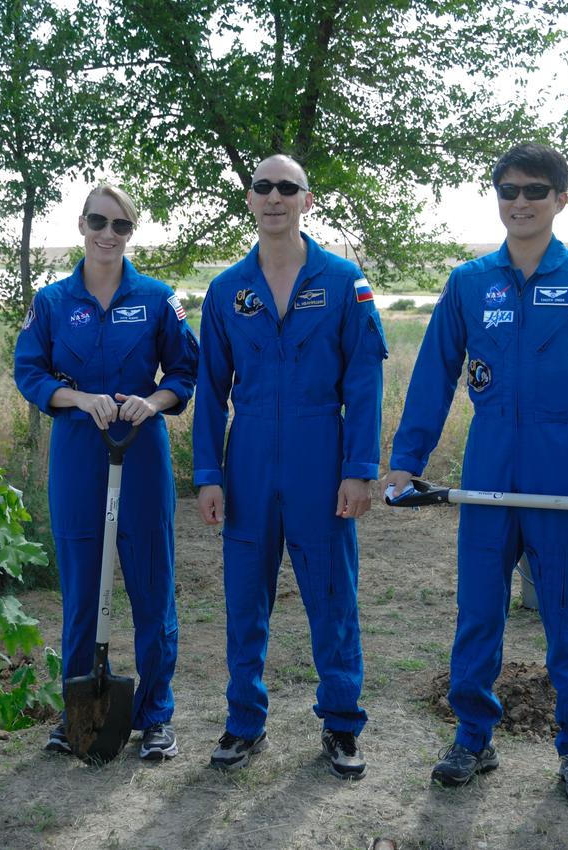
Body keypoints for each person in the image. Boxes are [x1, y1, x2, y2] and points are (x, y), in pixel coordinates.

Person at [384, 143, 568, 803]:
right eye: (508, 190)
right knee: (478, 609)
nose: (520, 202)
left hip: (563, 466)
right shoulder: (470, 283)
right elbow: (434, 376)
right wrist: (407, 462)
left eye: (534, 190)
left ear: (560, 198)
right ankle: (473, 737)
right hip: (489, 464)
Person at [192, 154, 388, 779]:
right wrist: (208, 474)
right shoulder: (227, 290)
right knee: (244, 601)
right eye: (262, 187)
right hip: (248, 457)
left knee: (333, 598)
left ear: (307, 200)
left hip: (319, 454)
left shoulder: (344, 281)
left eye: (287, 187)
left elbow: (364, 380)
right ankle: (244, 721)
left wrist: (359, 467)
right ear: (250, 199)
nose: (273, 197)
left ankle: (342, 723)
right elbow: (210, 390)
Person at [14, 184, 199, 761]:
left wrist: (153, 402)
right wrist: (77, 398)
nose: (108, 234)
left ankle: (155, 715)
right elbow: (29, 371)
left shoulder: (158, 299)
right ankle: (79, 713)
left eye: (121, 225)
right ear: (82, 225)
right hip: (77, 457)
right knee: (80, 593)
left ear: (130, 233)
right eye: (99, 221)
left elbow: (185, 372)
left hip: (140, 454)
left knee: (152, 590)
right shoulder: (52, 301)